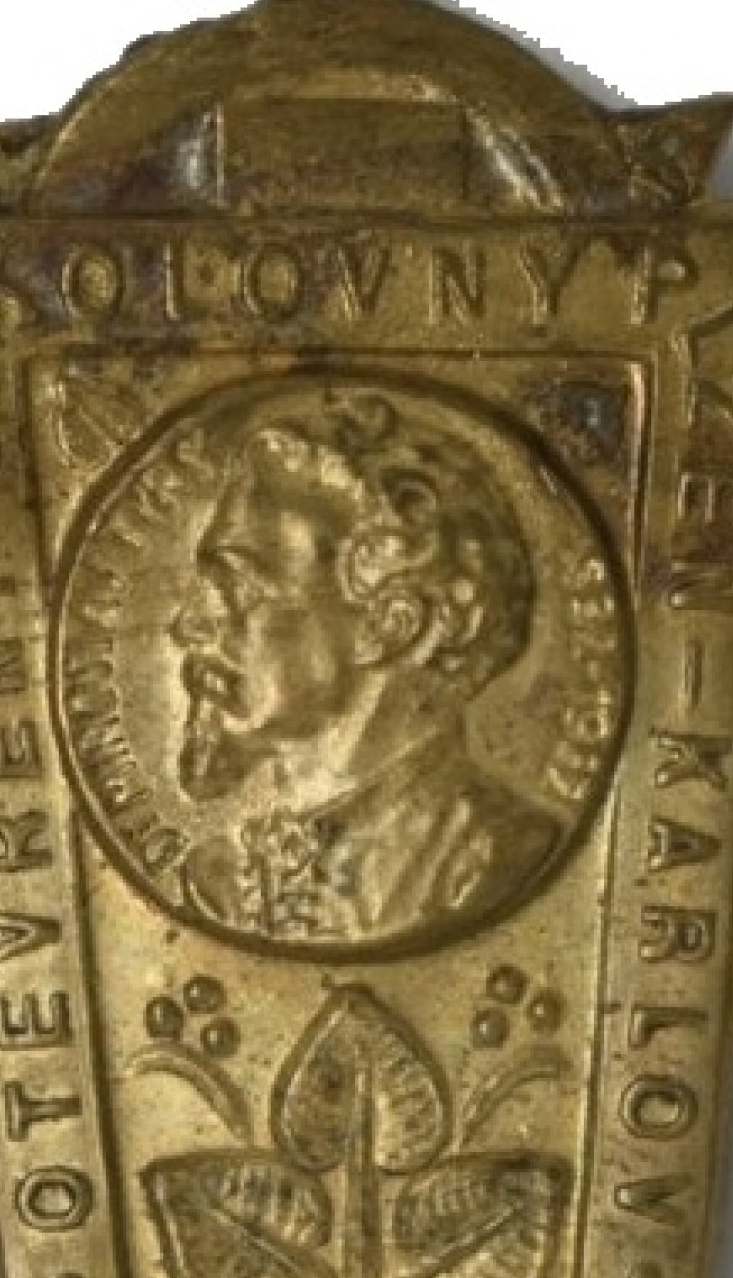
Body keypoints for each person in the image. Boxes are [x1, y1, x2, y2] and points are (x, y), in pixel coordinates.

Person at [170, 391, 561, 947]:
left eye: (238, 588)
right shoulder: (219, 877)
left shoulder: (494, 860)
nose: (187, 627)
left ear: (392, 626)